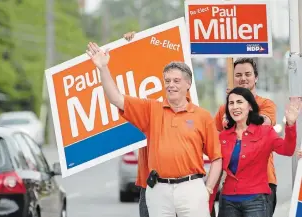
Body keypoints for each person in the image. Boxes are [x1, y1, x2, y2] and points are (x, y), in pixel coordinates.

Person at [86, 41, 222, 217]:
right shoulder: (151, 109)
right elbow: (117, 99)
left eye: (176, 81)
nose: (170, 85)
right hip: (158, 191)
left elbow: (217, 158)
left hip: (192, 189)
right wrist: (103, 68)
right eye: (167, 81)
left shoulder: (202, 116)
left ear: (188, 84)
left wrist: (208, 189)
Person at [217, 87, 299, 217]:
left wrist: (291, 125)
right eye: (231, 103)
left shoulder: (265, 132)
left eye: (239, 102)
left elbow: (287, 150)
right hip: (228, 201)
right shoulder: (223, 136)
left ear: (250, 106)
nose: (235, 107)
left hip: (255, 201)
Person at [212, 58, 278, 216]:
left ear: (256, 77)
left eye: (248, 74)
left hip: (262, 184)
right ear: (232, 78)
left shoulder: (266, 104)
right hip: (231, 188)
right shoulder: (224, 109)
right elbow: (212, 139)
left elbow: (264, 123)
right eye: (238, 75)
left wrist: (235, 115)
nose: (243, 78)